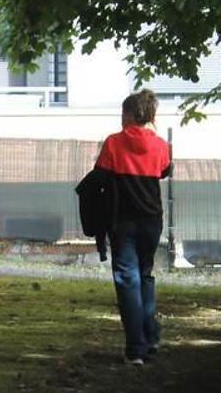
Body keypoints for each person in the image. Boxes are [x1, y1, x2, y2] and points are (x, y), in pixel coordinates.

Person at [92, 90, 173, 366]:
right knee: (145, 275)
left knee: (128, 280)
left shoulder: (114, 143)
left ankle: (136, 349)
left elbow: (99, 175)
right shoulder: (162, 145)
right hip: (152, 220)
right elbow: (164, 170)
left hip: (123, 221)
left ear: (128, 114)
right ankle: (150, 339)